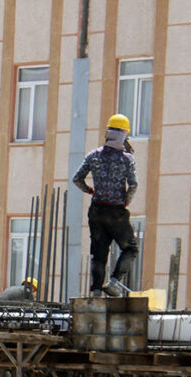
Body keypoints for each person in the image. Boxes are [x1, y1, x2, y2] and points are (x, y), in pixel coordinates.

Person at [72, 114, 139, 298]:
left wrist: (90, 190)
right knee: (130, 248)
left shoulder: (93, 155)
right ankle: (114, 282)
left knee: (99, 255)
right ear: (124, 134)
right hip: (116, 211)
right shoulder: (127, 159)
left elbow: (77, 179)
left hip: (96, 211)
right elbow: (133, 184)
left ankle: (95, 292)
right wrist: (126, 200)